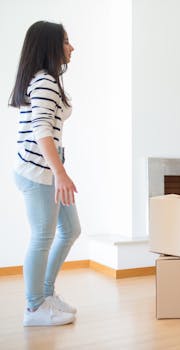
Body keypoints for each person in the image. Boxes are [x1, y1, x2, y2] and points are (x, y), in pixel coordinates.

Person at [9, 21, 80, 326]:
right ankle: (34, 307)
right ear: (51, 45)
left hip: (46, 170)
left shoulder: (45, 80)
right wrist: (61, 173)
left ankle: (46, 294)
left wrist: (59, 172)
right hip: (38, 173)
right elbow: (41, 132)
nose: (71, 47)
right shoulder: (44, 82)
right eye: (66, 41)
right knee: (42, 237)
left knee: (70, 230)